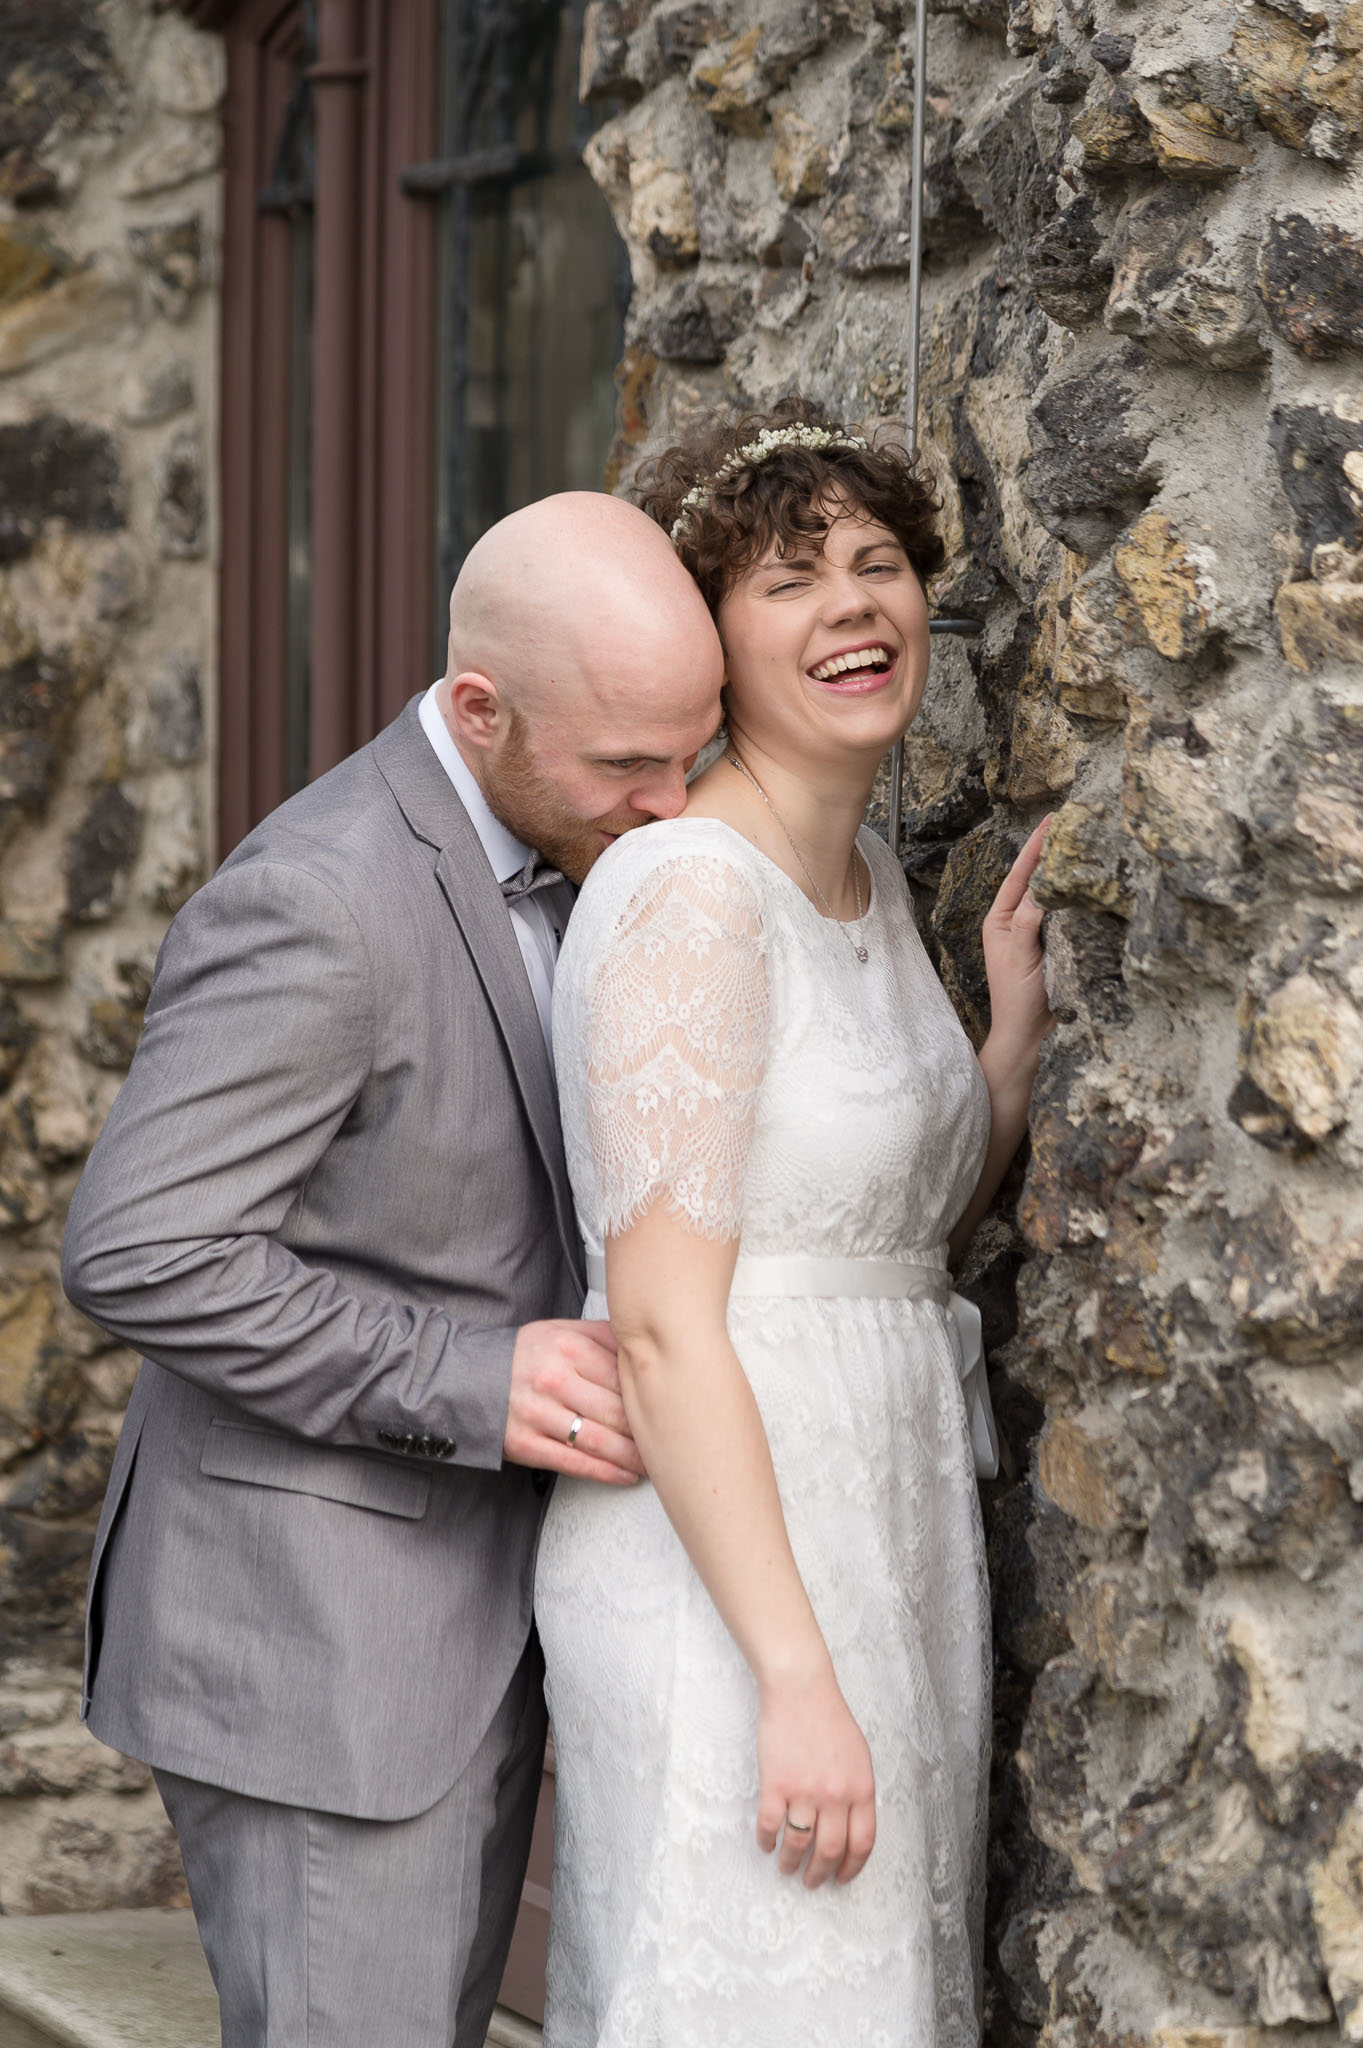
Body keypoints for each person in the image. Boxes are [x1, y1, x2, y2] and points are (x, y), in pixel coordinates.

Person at [60, 492, 724, 2048]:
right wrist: (471, 1379)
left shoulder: (598, 835)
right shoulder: (322, 899)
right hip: (321, 1659)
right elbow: (139, 1247)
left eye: (690, 751)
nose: (674, 802)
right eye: (628, 765)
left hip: (477, 1629)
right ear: (478, 711)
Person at [535, 399, 1052, 2046]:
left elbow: (876, 1230)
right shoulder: (686, 891)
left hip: (885, 1527)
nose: (852, 605)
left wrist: (1007, 1061)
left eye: (880, 565)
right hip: (731, 1573)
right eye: (787, 582)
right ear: (714, 644)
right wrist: (794, 1676)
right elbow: (670, 1320)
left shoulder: (880, 880)